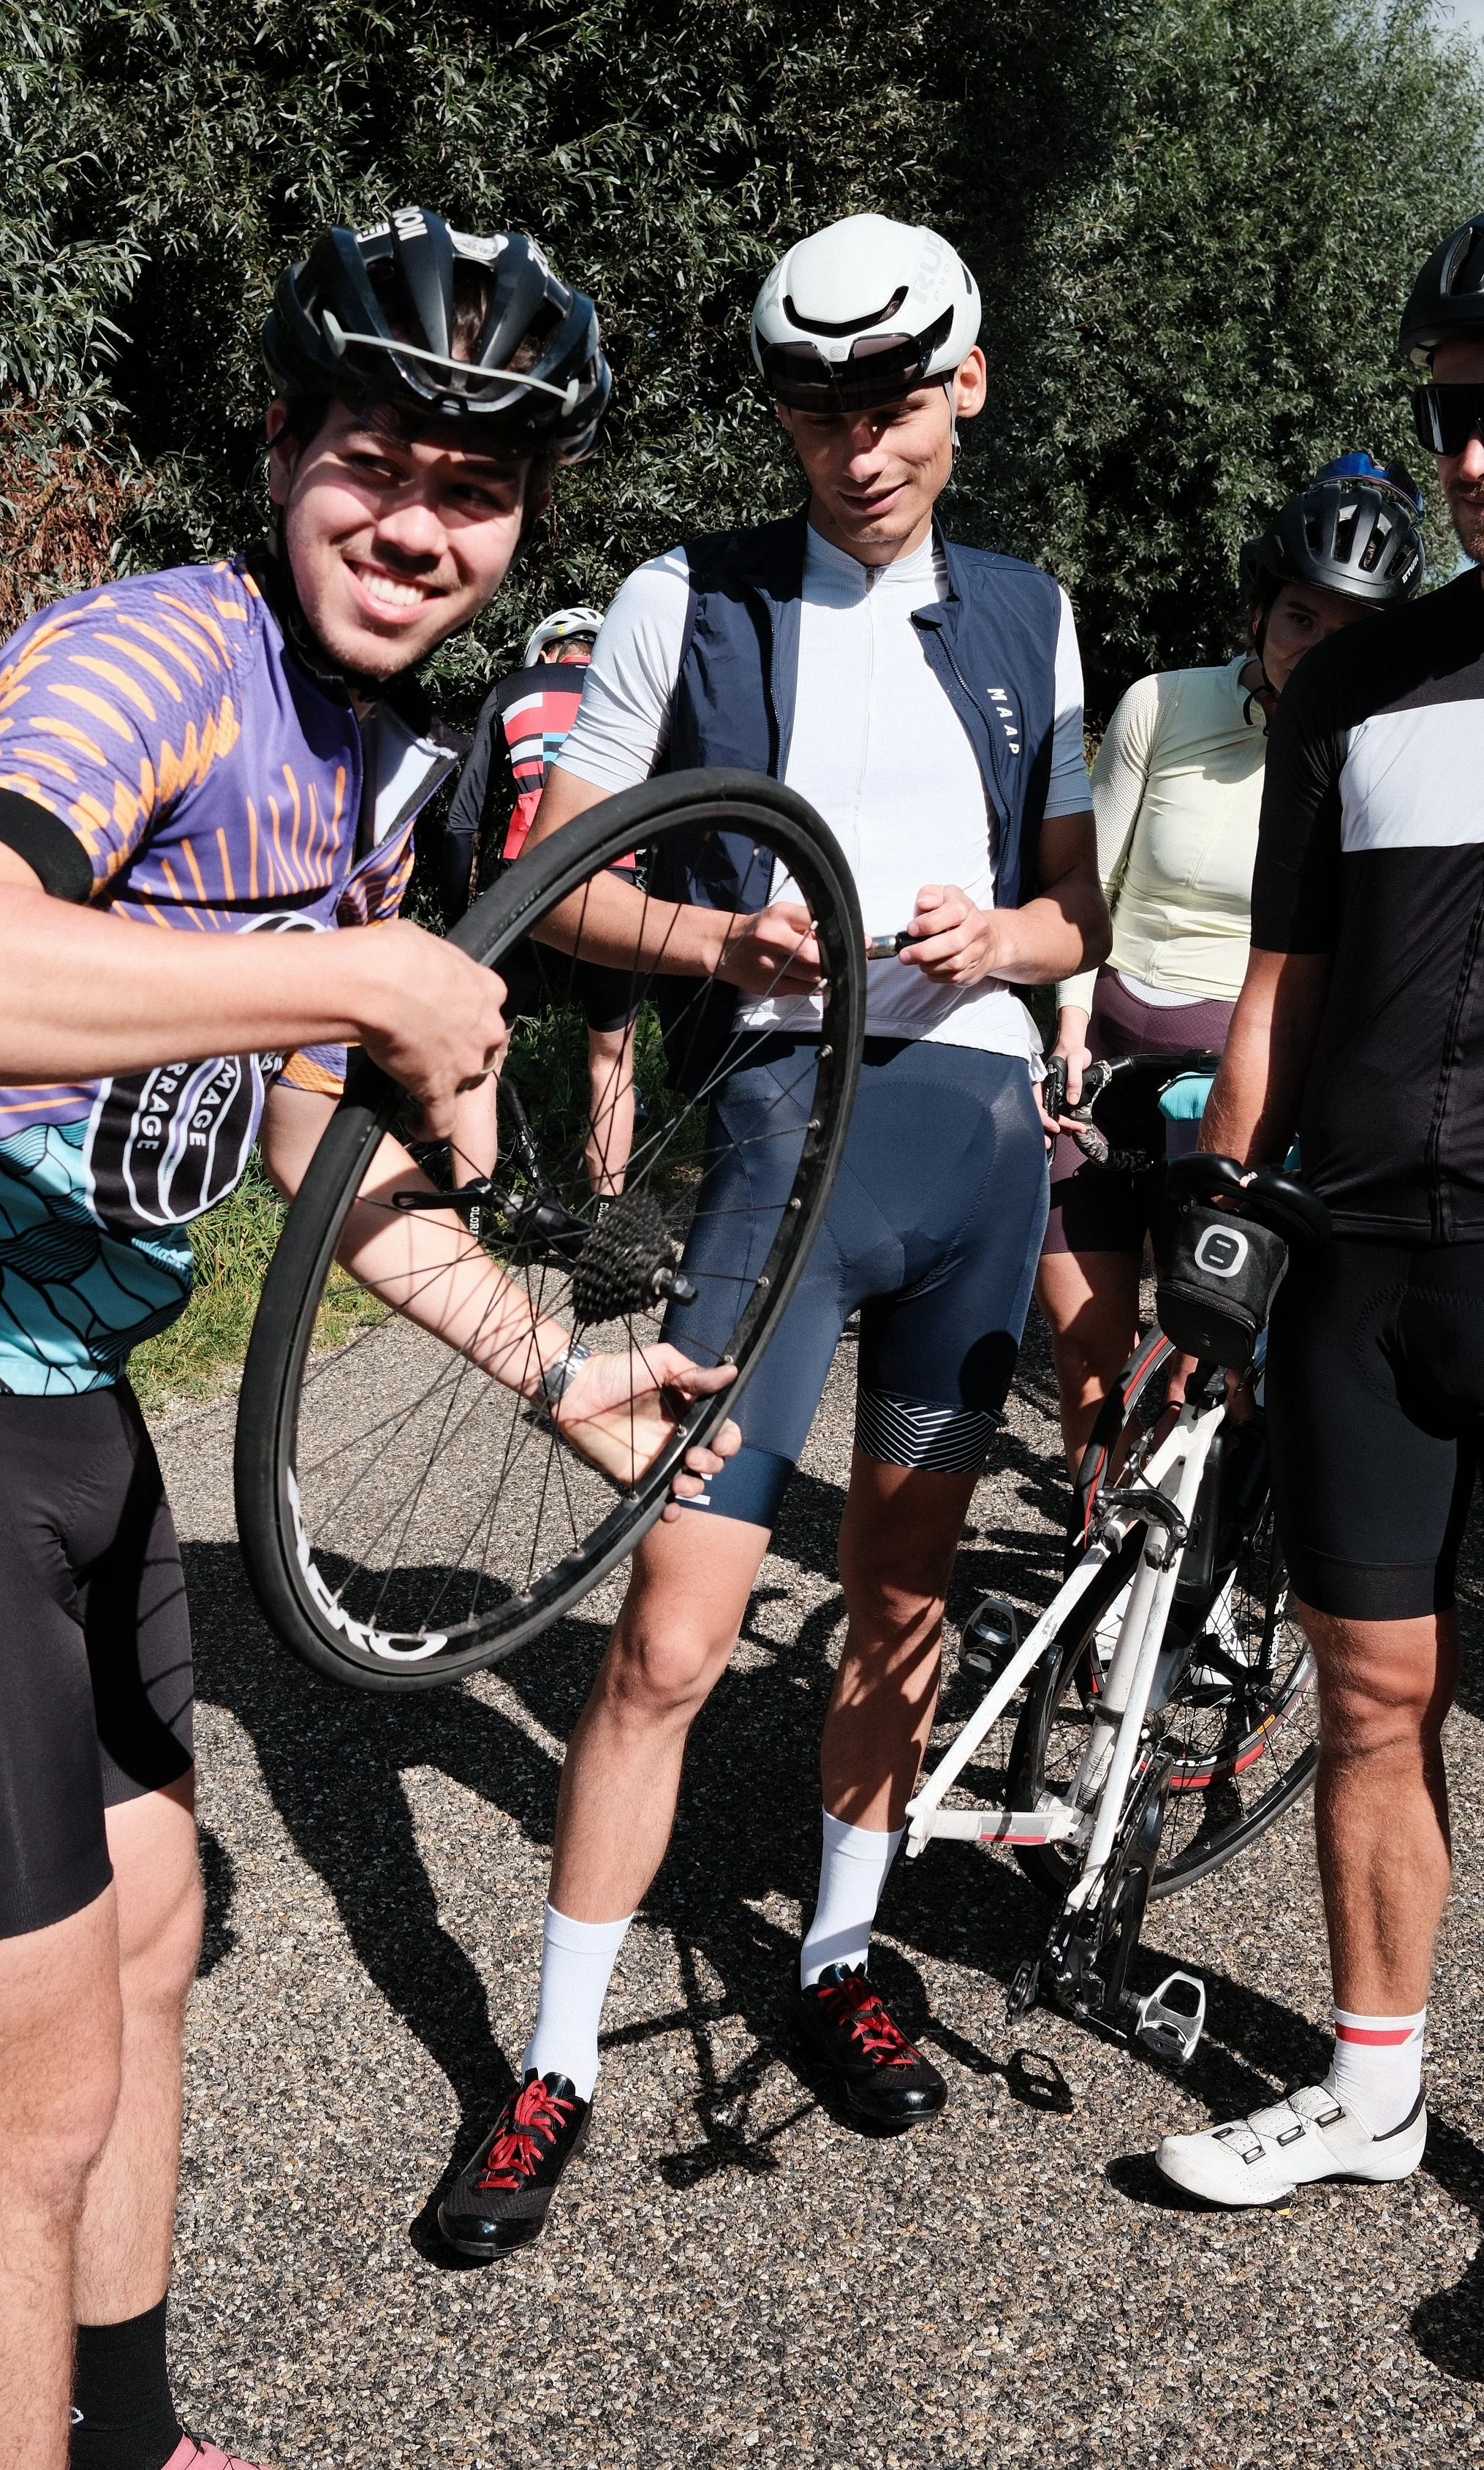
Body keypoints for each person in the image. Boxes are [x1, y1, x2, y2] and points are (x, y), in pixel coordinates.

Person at [0, 208, 740, 2469]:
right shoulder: (149, 657)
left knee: (151, 1925)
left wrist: (548, 1363)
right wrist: (364, 981)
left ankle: (136, 2434)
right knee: (28, 2088)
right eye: (375, 455)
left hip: (66, 1401)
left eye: (477, 489)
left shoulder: (378, 758)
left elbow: (289, 1121)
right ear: (276, 447)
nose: (418, 522)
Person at [434, 210, 1111, 2262]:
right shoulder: (682, 594)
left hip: (978, 1144)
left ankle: (836, 1949)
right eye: (817, 407)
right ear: (781, 416)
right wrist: (724, 932)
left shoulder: (1029, 610)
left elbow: (1073, 909)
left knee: (900, 1591)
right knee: (667, 1636)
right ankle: (549, 2055)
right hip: (779, 1142)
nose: (859, 444)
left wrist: (1005, 934)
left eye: (897, 398)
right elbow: (556, 881)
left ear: (966, 384)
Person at [1155, 211, 1484, 2207]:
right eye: (1453, 418)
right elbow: (1270, 977)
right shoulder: (1349, 681)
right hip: (1355, 1260)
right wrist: (1219, 1226)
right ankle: (1373, 2096)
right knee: (1366, 1690)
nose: (1470, 462)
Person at [1037, 456, 1426, 1469]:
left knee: (1203, 1366)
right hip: (1111, 1064)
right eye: (1302, 617)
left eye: (1352, 633)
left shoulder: (1381, 754)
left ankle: (1178, 1566)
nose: (1318, 650)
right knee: (1087, 1345)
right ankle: (1097, 1571)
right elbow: (1094, 890)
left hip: (1242, 1092)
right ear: (1260, 610)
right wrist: (1067, 1035)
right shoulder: (1162, 707)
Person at [441, 605, 642, 1197]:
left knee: (481, 1067)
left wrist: (463, 927)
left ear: (545, 653)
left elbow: (461, 823)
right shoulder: (630, 698)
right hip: (616, 891)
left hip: (522, 890)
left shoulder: (512, 690)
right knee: (612, 1064)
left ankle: (471, 1225)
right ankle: (606, 1226)